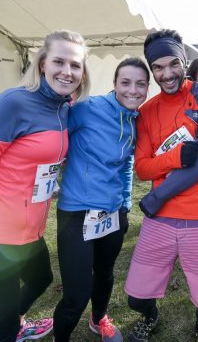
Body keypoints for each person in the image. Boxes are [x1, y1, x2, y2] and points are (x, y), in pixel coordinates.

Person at [0, 30, 90, 342]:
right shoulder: (13, 103)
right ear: (42, 64)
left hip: (29, 233)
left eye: (75, 65)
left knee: (42, 278)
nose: (67, 71)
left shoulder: (64, 107)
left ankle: (15, 323)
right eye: (59, 61)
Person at [124, 29, 198, 342]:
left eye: (174, 64)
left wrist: (158, 196)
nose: (167, 73)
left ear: (185, 61)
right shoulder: (146, 112)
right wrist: (174, 157)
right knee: (135, 298)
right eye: (158, 67)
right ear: (151, 69)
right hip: (161, 219)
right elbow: (142, 168)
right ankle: (150, 316)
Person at [53, 58, 150, 342]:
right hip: (77, 212)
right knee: (76, 294)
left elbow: (127, 164)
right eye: (126, 83)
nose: (133, 90)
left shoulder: (134, 120)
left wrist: (125, 204)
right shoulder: (87, 108)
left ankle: (99, 319)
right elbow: (55, 138)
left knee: (105, 273)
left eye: (140, 84)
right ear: (115, 84)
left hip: (113, 214)